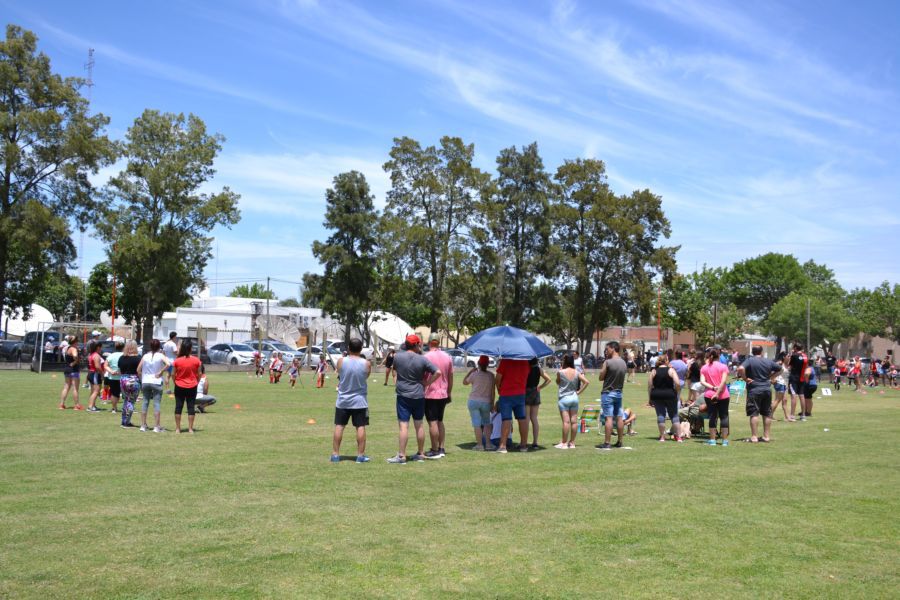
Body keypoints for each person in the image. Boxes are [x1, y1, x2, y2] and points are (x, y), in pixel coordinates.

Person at [387, 334, 440, 464]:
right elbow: (438, 372)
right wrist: (427, 383)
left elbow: (394, 371)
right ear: (417, 345)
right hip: (418, 395)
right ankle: (421, 453)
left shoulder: (398, 357)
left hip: (403, 395)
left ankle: (402, 456)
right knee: (419, 425)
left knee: (403, 426)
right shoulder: (422, 359)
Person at [331, 338, 372, 463]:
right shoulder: (366, 363)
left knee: (339, 426)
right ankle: (360, 455)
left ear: (349, 348)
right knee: (360, 427)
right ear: (361, 349)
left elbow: (340, 374)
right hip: (359, 400)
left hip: (343, 399)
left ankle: (335, 455)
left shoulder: (341, 361)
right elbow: (366, 377)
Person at [738, 345, 781, 443]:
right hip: (766, 389)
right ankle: (766, 436)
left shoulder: (750, 360)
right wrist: (771, 377)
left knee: (754, 413)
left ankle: (754, 437)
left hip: (754, 389)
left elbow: (740, 368)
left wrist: (745, 378)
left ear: (753, 352)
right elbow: (780, 369)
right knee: (767, 413)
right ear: (761, 352)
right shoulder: (768, 361)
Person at [424, 335, 454, 459]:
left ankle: (434, 449)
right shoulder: (448, 357)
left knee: (432, 422)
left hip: (430, 393)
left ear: (430, 342)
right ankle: (441, 447)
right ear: (439, 342)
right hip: (443, 393)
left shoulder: (426, 357)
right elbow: (450, 376)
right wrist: (449, 392)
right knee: (440, 421)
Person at [495, 356, 532, 453]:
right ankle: (523, 445)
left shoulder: (505, 361)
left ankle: (503, 446)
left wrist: (499, 389)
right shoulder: (525, 361)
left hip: (506, 394)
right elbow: (527, 375)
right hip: (520, 394)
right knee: (522, 419)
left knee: (506, 419)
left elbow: (498, 378)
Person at [555, 354, 590, 449]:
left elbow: (557, 382)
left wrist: (561, 369)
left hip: (564, 398)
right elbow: (586, 382)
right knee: (574, 422)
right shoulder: (577, 372)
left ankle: (564, 443)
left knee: (566, 422)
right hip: (574, 398)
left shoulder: (560, 372)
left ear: (565, 361)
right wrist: (579, 392)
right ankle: (572, 442)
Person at [597, 341, 627, 450]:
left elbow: (601, 377)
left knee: (608, 418)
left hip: (608, 393)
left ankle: (607, 442)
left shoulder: (608, 362)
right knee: (619, 417)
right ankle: (620, 441)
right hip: (619, 393)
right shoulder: (623, 362)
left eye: (607, 349)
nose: (606, 351)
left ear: (613, 349)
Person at [463, 355, 495, 451]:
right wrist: (492, 403)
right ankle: (488, 444)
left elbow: (464, 382)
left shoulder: (474, 374)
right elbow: (493, 391)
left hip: (473, 401)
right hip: (486, 402)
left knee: (476, 423)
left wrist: (470, 371)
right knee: (487, 423)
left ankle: (480, 445)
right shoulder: (491, 375)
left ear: (479, 364)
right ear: (488, 364)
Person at [137, 339, 170, 432]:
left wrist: (142, 378)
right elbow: (168, 364)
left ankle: (143, 425)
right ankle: (156, 426)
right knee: (156, 403)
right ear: (159, 346)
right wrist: (161, 371)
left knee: (145, 402)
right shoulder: (160, 355)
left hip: (145, 381)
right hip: (156, 381)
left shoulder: (145, 356)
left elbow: (138, 370)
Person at [701, 347, 731, 446]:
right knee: (724, 416)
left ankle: (713, 440)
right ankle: (724, 441)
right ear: (719, 355)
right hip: (723, 395)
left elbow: (702, 382)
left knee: (712, 416)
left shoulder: (704, 367)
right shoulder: (723, 367)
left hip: (709, 394)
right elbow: (723, 382)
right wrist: (718, 392)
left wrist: (713, 388)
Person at [648, 353, 682, 442]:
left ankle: (662, 436)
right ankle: (678, 437)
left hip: (657, 395)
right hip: (670, 394)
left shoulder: (654, 371)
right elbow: (678, 383)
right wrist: (677, 392)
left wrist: (650, 398)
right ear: (666, 361)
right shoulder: (671, 370)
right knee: (674, 415)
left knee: (660, 415)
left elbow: (650, 386)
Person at [172, 339, 201, 434]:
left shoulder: (177, 361)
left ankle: (177, 429)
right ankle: (190, 429)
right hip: (192, 386)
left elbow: (173, 374)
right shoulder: (196, 360)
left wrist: (175, 382)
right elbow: (199, 373)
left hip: (179, 385)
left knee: (178, 407)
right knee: (191, 407)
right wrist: (197, 381)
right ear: (190, 348)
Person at [524, 357, 551, 449]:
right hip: (535, 392)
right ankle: (535, 442)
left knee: (526, 418)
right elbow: (548, 379)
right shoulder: (539, 369)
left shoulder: (526, 369)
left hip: (526, 392)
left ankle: (524, 441)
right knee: (534, 418)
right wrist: (540, 387)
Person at [117, 341, 141, 428]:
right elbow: (140, 371)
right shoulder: (138, 358)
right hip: (134, 380)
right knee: (131, 402)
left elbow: (119, 371)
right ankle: (126, 422)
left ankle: (124, 421)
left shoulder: (121, 358)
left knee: (126, 400)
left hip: (123, 380)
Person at [59, 335, 82, 410]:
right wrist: (75, 361)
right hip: (74, 370)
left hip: (67, 369)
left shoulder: (67, 348)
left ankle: (61, 404)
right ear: (75, 342)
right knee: (75, 388)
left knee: (66, 387)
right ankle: (76, 405)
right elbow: (75, 356)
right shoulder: (73, 349)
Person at [787, 343, 808, 421]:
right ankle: (803, 415)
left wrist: (791, 354)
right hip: (801, 378)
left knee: (793, 396)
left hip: (793, 378)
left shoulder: (794, 355)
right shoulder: (805, 356)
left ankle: (792, 415)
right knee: (802, 396)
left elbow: (788, 364)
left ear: (795, 348)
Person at [104, 340, 125, 413]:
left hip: (112, 377)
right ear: (123, 347)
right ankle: (127, 408)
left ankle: (114, 408)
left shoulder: (111, 355)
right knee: (125, 393)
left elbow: (105, 366)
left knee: (113, 393)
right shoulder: (125, 355)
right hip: (123, 377)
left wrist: (111, 371)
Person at [770, 354, 790, 421]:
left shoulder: (788, 364)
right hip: (779, 383)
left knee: (785, 401)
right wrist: (772, 379)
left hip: (784, 384)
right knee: (777, 400)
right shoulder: (779, 364)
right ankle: (769, 416)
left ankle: (787, 417)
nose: (789, 357)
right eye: (788, 356)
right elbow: (771, 372)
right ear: (784, 357)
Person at [86, 341, 105, 412]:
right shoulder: (96, 355)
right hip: (95, 374)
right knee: (96, 391)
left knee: (93, 391)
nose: (101, 349)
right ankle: (90, 407)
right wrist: (102, 374)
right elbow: (97, 367)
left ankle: (93, 405)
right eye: (100, 347)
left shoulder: (91, 354)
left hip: (91, 373)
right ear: (98, 347)